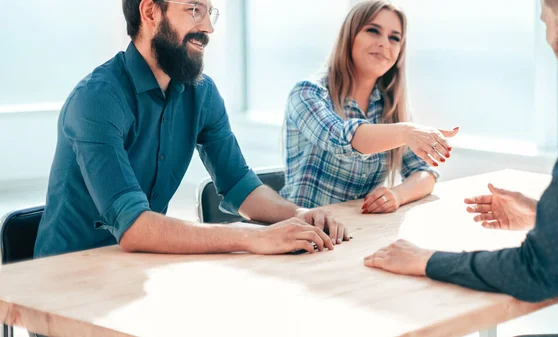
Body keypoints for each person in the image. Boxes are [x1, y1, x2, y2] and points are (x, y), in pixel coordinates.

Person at [33, 0, 351, 263]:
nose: (209, 28)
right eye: (194, 9)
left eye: (209, 12)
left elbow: (240, 187)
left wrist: (300, 215)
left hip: (136, 269)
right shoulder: (97, 99)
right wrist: (254, 237)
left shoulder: (201, 93)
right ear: (150, 12)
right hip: (66, 281)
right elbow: (135, 228)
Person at [364, 1, 558, 335]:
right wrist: (542, 216)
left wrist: (425, 260)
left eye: (546, 23)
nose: (548, 39)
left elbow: (538, 273)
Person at [279, 0, 459, 214]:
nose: (385, 43)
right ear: (350, 37)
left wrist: (397, 195)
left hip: (358, 233)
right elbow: (341, 139)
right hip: (303, 235)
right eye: (373, 31)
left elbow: (424, 173)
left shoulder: (391, 108)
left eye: (395, 38)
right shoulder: (307, 93)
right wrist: (407, 132)